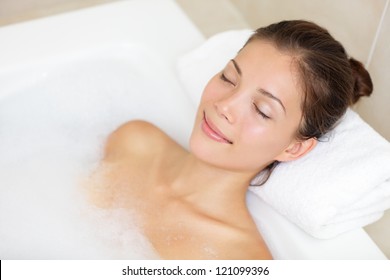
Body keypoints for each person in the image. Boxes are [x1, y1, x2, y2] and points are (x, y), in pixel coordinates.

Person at [86, 20, 373, 259]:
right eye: (228, 77)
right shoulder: (135, 141)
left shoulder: (236, 259)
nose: (225, 105)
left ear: (294, 147)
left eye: (261, 109)